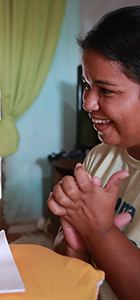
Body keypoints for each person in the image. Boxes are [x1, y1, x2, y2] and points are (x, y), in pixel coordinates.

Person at [47, 6, 140, 300]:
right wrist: (77, 242)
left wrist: (100, 232)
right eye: (88, 86)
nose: (88, 103)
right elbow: (70, 271)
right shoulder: (100, 157)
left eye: (106, 90)